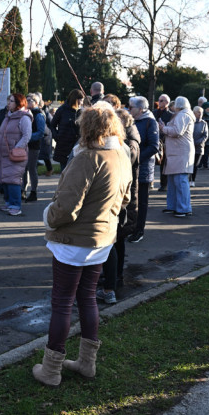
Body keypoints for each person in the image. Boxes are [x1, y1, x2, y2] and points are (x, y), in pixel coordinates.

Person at [32, 106, 132, 386]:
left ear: (86, 128)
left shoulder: (88, 157)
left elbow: (65, 208)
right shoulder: (121, 155)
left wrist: (48, 219)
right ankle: (87, 364)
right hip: (101, 239)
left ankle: (51, 370)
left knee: (62, 302)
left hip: (73, 241)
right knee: (87, 298)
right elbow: (125, 199)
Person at [99, 95, 141, 304]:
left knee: (116, 241)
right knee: (114, 241)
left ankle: (113, 281)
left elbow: (127, 162)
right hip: (121, 197)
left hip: (123, 199)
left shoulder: (128, 143)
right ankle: (110, 278)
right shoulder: (126, 142)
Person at [0, 93, 32, 216]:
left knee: (13, 180)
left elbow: (27, 136)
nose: (8, 103)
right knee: (4, 179)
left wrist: (16, 148)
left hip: (15, 155)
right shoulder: (8, 116)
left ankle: (16, 205)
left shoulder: (24, 118)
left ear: (18, 103)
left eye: (11, 101)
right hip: (3, 154)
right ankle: (9, 202)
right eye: (8, 100)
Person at [128, 96, 158, 243]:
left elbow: (154, 146)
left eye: (131, 107)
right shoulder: (132, 121)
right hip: (131, 167)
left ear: (140, 109)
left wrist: (137, 159)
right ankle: (131, 227)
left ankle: (139, 230)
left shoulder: (150, 122)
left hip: (143, 168)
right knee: (131, 200)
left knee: (142, 201)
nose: (128, 109)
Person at [160, 96, 195, 217]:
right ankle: (174, 206)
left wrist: (163, 128)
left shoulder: (182, 115)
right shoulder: (183, 114)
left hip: (180, 152)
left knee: (180, 180)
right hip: (177, 152)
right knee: (174, 180)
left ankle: (184, 208)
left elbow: (177, 131)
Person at [22, 93, 47, 203]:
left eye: (30, 100)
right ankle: (22, 190)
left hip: (33, 146)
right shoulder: (27, 113)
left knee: (31, 168)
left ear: (36, 102)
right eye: (26, 100)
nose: (27, 102)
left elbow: (41, 132)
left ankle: (33, 192)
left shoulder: (38, 114)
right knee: (24, 169)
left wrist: (28, 138)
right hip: (26, 145)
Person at [51, 89, 83, 170]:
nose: (82, 102)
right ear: (76, 99)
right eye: (81, 100)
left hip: (77, 145)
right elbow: (52, 125)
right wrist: (57, 136)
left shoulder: (81, 112)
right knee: (64, 171)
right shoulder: (62, 110)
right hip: (64, 145)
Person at [154, 94, 173, 191]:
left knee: (163, 163)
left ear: (167, 103)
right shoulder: (153, 113)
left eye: (161, 100)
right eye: (159, 100)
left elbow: (171, 128)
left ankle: (164, 184)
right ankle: (150, 182)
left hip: (164, 141)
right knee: (151, 161)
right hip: (154, 139)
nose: (159, 102)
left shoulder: (171, 115)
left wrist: (163, 127)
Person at [191, 106, 208, 186]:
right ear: (194, 113)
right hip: (190, 147)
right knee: (189, 164)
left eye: (201, 112)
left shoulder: (204, 123)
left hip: (199, 148)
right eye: (198, 112)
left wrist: (197, 142)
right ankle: (188, 179)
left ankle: (193, 180)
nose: (200, 114)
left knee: (195, 164)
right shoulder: (190, 122)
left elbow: (205, 135)